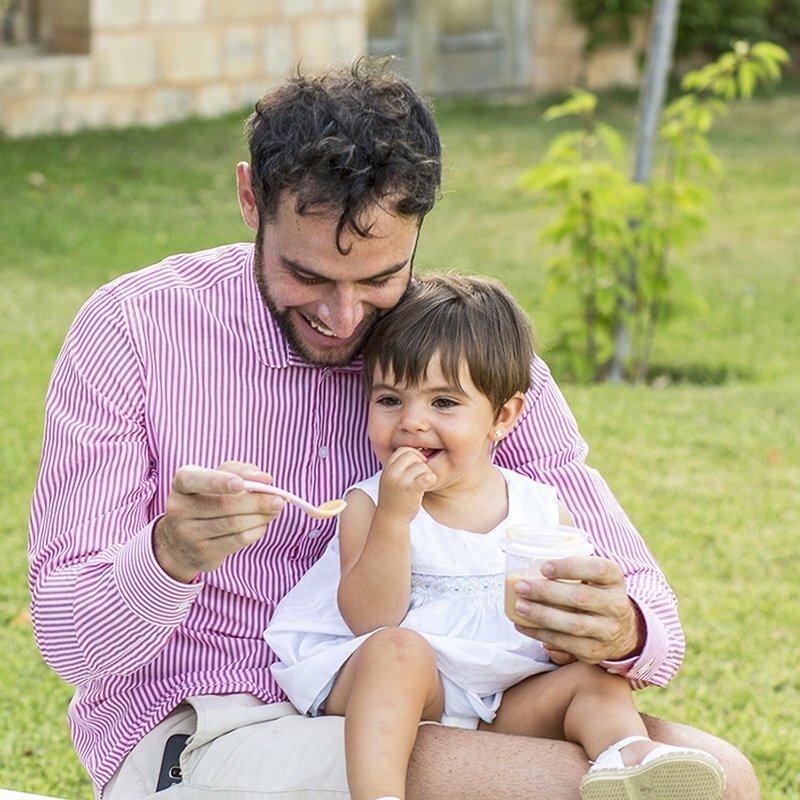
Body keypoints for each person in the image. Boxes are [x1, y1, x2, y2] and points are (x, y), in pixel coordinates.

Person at [27, 57, 758, 800]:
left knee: (722, 779)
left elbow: (650, 610)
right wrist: (168, 555)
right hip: (214, 726)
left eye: (379, 281)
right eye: (307, 276)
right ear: (251, 198)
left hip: (464, 708)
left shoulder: (468, 358)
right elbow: (69, 642)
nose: (343, 319)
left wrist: (620, 628)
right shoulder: (133, 330)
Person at [265, 273, 726, 800]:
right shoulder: (368, 505)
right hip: (413, 687)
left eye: (444, 403)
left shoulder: (539, 508)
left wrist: (561, 644)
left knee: (598, 682)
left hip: (505, 698)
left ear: (502, 417)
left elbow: (559, 621)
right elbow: (370, 620)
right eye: (390, 400)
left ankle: (630, 757)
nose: (412, 423)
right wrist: (396, 517)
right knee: (396, 652)